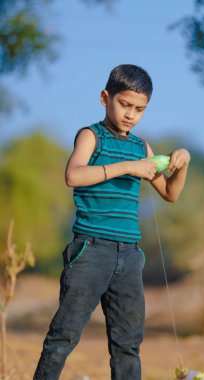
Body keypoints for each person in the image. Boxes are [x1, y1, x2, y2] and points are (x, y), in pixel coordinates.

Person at [33, 64, 191, 380]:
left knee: (128, 343)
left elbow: (170, 194)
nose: (131, 114)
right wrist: (128, 168)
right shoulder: (92, 136)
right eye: (124, 104)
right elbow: (73, 175)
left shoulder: (141, 147)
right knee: (64, 335)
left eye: (140, 109)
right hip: (90, 251)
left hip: (130, 255)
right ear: (106, 98)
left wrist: (182, 162)